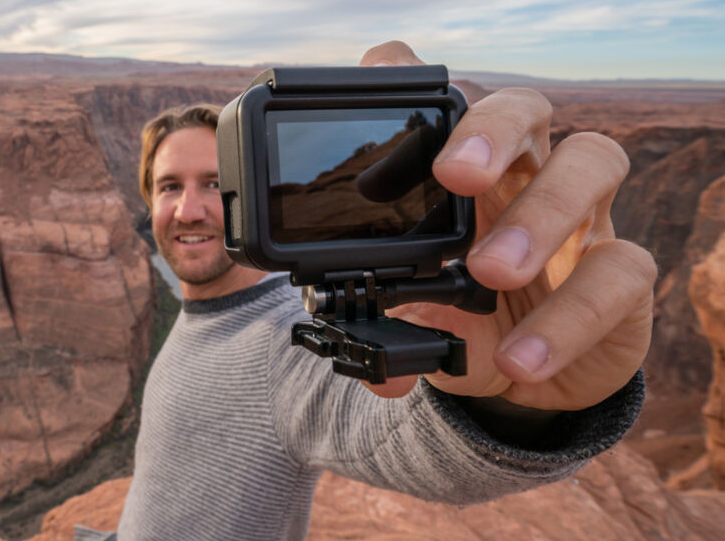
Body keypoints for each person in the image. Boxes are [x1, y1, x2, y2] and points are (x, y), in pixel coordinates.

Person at [78, 42, 655, 541]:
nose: (189, 209)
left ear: (249, 199)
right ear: (147, 201)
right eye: (168, 186)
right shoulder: (202, 316)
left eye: (215, 184)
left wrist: (514, 406)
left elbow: (390, 435)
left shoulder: (283, 344)